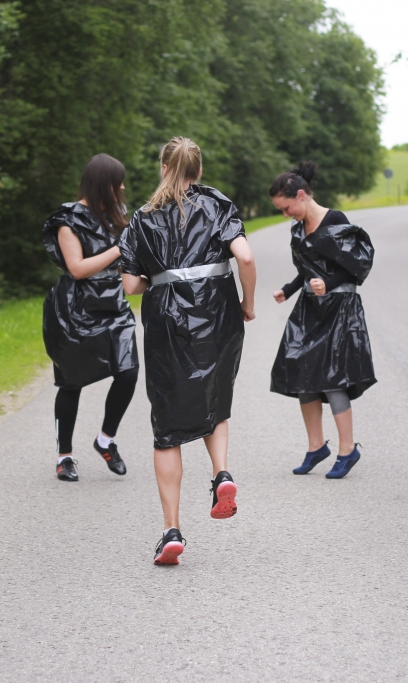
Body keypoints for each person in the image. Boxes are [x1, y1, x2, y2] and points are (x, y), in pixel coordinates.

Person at [118, 137, 256, 565]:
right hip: (218, 314)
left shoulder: (141, 219)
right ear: (198, 171)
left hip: (167, 320)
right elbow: (246, 258)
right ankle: (221, 474)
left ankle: (172, 530)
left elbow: (128, 285)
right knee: (215, 397)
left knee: (167, 425)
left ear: (164, 168)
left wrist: (160, 279)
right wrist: (247, 303)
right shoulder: (218, 205)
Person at [268, 162, 375, 479]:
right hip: (309, 308)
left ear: (300, 196)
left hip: (340, 307)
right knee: (300, 368)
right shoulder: (298, 228)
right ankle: (316, 447)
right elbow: (306, 268)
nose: (286, 215)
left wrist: (328, 283)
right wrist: (288, 290)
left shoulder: (335, 220)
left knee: (332, 377)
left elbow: (358, 264)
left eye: (286, 208)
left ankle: (347, 449)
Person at [42, 154, 139, 482]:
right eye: (117, 182)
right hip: (75, 311)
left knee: (128, 372)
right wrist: (119, 248)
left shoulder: (118, 216)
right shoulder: (68, 220)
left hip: (114, 305)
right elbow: (77, 268)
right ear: (102, 184)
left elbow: (128, 264)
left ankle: (105, 440)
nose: (123, 187)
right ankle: (64, 456)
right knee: (71, 383)